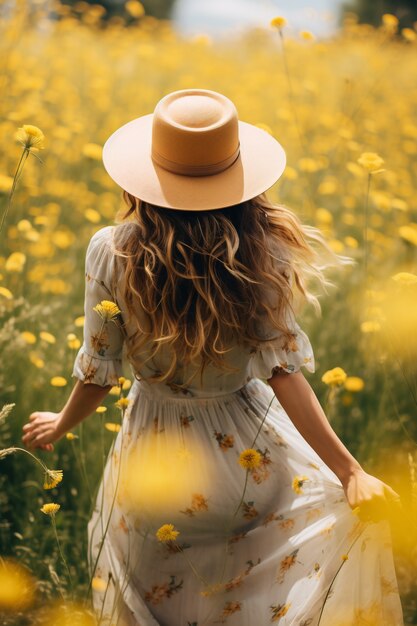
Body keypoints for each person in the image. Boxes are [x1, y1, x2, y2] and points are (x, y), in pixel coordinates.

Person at [22, 89, 404, 626]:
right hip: (252, 465)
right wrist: (350, 472)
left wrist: (60, 424)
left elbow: (100, 372)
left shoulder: (112, 251)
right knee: (248, 600)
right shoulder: (263, 252)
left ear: (148, 177)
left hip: (157, 466)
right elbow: (283, 373)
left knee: (161, 600)